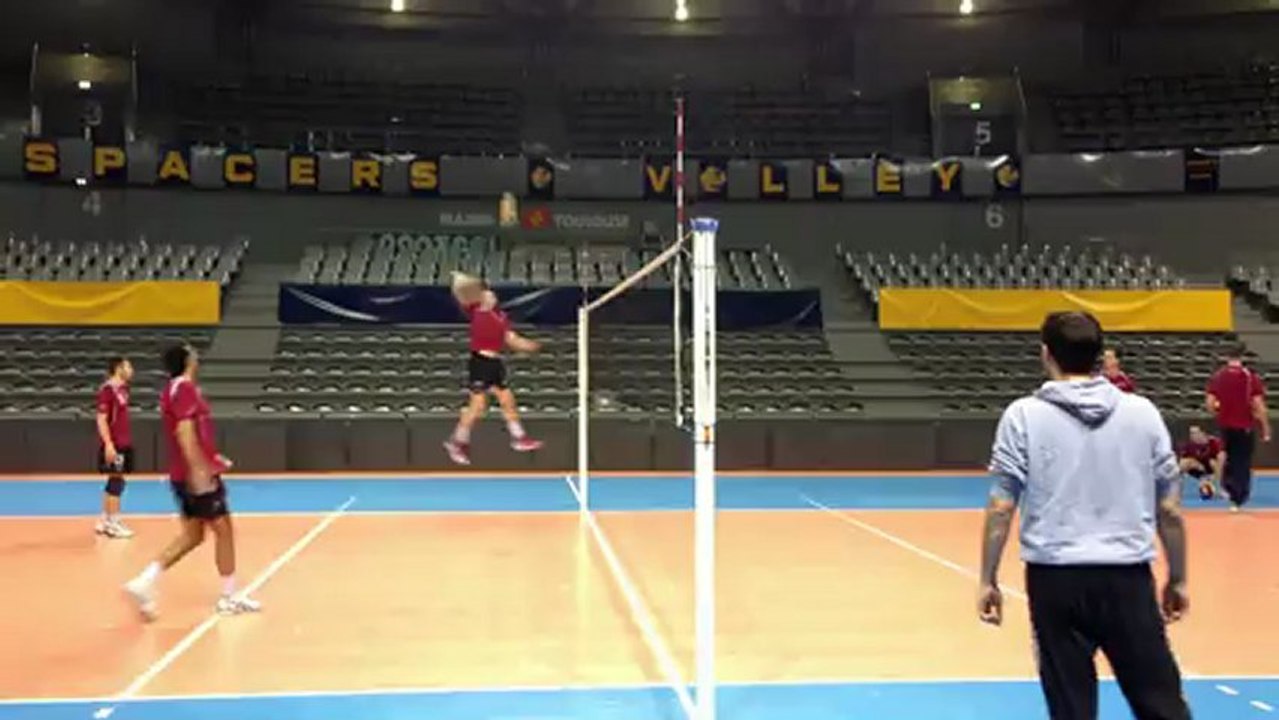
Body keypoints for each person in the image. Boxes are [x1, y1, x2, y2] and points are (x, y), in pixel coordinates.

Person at [978, 311, 1190, 720]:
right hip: (1127, 578)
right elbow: (1169, 508)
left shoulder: (1022, 416)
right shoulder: (1143, 413)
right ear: (1099, 356)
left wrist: (988, 579)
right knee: (1161, 702)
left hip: (1055, 579)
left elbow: (1002, 506)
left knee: (1071, 708)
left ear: (1046, 354)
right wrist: (1178, 577)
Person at [124, 344, 259, 620]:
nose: (197, 356)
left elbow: (194, 433)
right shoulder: (184, 389)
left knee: (193, 535)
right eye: (193, 353)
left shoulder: (171, 390)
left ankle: (144, 581)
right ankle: (229, 597)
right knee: (224, 530)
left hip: (182, 474)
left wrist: (212, 457)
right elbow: (185, 433)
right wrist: (200, 471)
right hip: (195, 477)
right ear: (187, 361)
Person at [443, 272, 543, 466]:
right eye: (486, 294)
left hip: (496, 363)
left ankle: (519, 438)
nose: (490, 295)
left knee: (507, 400)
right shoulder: (476, 311)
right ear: (480, 297)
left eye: (492, 294)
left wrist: (530, 346)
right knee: (478, 406)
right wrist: (458, 277)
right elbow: (462, 290)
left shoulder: (501, 317)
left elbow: (512, 339)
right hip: (480, 362)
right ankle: (457, 442)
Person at [1206, 342, 1270, 512]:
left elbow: (1210, 403)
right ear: (1242, 357)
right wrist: (1265, 427)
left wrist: (1218, 413)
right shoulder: (1249, 377)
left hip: (1225, 426)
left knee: (1227, 458)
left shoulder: (1218, 377)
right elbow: (1258, 404)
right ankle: (1238, 498)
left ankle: (1229, 488)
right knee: (1242, 461)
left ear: (1226, 357)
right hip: (1244, 426)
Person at [94, 356, 135, 539]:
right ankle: (114, 523)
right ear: (119, 368)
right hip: (115, 444)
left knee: (115, 479)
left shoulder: (124, 389)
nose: (131, 370)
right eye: (128, 367)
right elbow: (101, 419)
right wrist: (109, 444)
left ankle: (104, 519)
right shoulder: (107, 390)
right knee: (117, 482)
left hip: (124, 441)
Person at [1178, 425, 1225, 501]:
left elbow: (1222, 456)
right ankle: (1177, 490)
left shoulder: (1214, 442)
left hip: (1211, 470)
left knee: (1213, 462)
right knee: (1183, 463)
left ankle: (1220, 488)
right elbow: (1182, 461)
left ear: (1202, 433)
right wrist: (1195, 463)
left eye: (1195, 433)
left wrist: (1216, 475)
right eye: (1191, 433)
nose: (1192, 435)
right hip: (1198, 470)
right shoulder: (1188, 445)